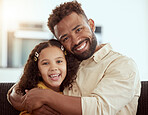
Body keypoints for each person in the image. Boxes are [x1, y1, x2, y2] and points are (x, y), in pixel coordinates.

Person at [8, 1, 141, 115]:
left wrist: (45, 97)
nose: (76, 40)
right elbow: (17, 90)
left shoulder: (122, 64)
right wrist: (31, 106)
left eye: (78, 29)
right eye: (65, 38)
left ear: (92, 25)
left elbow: (99, 108)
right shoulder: (66, 64)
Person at [8, 39, 80, 115]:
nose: (53, 68)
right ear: (38, 70)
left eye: (59, 61)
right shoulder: (35, 94)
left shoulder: (71, 90)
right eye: (45, 63)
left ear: (67, 65)